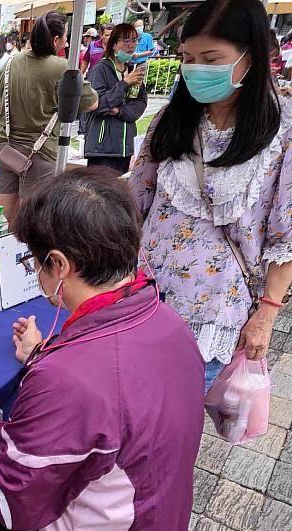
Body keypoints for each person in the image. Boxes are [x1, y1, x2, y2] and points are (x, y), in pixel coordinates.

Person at [0, 168, 204, 531]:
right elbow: (120, 399)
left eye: (33, 261)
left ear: (58, 265)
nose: (35, 271)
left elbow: (14, 499)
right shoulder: (169, 323)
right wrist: (45, 354)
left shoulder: (69, 378)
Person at [129, 0, 292, 392]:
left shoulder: (282, 131)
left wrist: (265, 317)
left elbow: (286, 237)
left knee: (170, 423)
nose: (195, 69)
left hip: (213, 313)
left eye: (211, 58)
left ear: (251, 56)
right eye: (187, 57)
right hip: (139, 296)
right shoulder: (171, 119)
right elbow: (134, 202)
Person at [0, 11, 98, 225]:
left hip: (3, 146)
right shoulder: (62, 67)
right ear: (56, 39)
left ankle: (4, 253)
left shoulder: (10, 63)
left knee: (5, 217)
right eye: (66, 36)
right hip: (38, 152)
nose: (67, 41)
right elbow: (92, 102)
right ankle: (27, 257)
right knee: (32, 220)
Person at [83, 23, 148, 174]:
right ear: (113, 45)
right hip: (102, 149)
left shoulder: (132, 71)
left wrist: (119, 111)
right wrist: (125, 83)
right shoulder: (100, 70)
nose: (131, 45)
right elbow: (97, 105)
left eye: (134, 40)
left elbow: (141, 103)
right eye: (126, 41)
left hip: (124, 148)